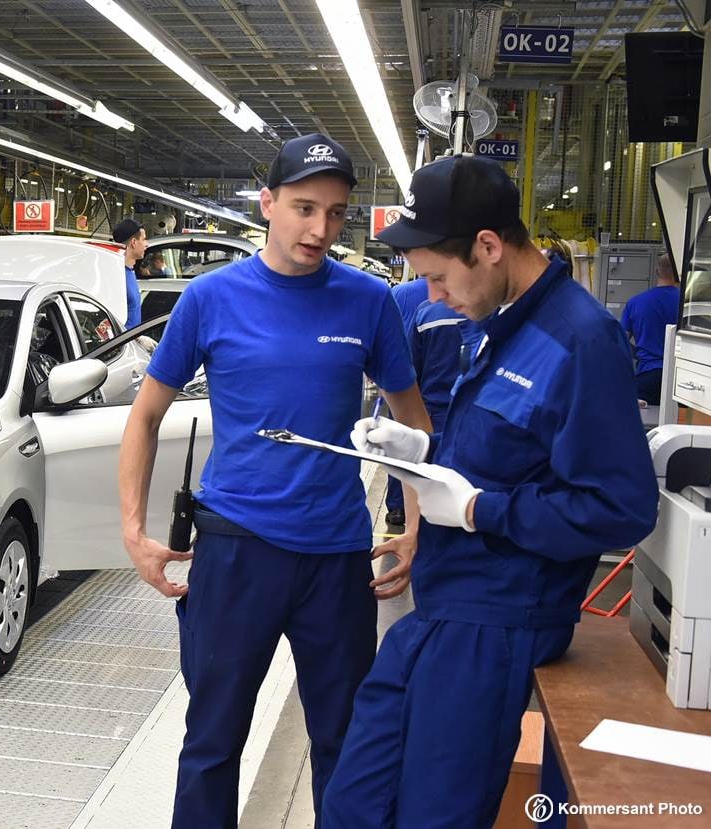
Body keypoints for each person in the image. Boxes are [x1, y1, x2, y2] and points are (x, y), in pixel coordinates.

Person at [324, 155, 659, 828]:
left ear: (488, 246)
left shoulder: (580, 340)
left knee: (430, 816)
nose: (436, 298)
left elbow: (621, 507)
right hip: (443, 608)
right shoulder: (498, 327)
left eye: (439, 279)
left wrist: (479, 509)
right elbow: (509, 454)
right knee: (352, 802)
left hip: (500, 621)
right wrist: (422, 456)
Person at [118, 133, 432, 829]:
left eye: (336, 212)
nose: (320, 228)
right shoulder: (210, 299)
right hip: (236, 552)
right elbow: (142, 417)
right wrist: (134, 532)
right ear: (267, 204)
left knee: (345, 744)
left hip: (335, 558)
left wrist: (414, 525)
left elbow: (412, 421)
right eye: (303, 207)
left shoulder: (368, 303)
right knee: (212, 741)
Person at [383, 276, 430, 527]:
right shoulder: (457, 293)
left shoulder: (399, 293)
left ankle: (397, 506)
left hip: (402, 376)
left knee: (398, 442)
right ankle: (426, 510)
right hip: (437, 383)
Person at [620, 252, 680, 405]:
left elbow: (620, 340)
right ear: (679, 273)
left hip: (648, 374)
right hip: (680, 379)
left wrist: (639, 353)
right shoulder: (685, 302)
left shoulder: (635, 302)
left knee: (644, 424)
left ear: (656, 271)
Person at [113, 217, 146, 328]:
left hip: (132, 342)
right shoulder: (117, 275)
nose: (147, 244)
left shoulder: (130, 271)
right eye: (143, 239)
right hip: (122, 343)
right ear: (134, 242)